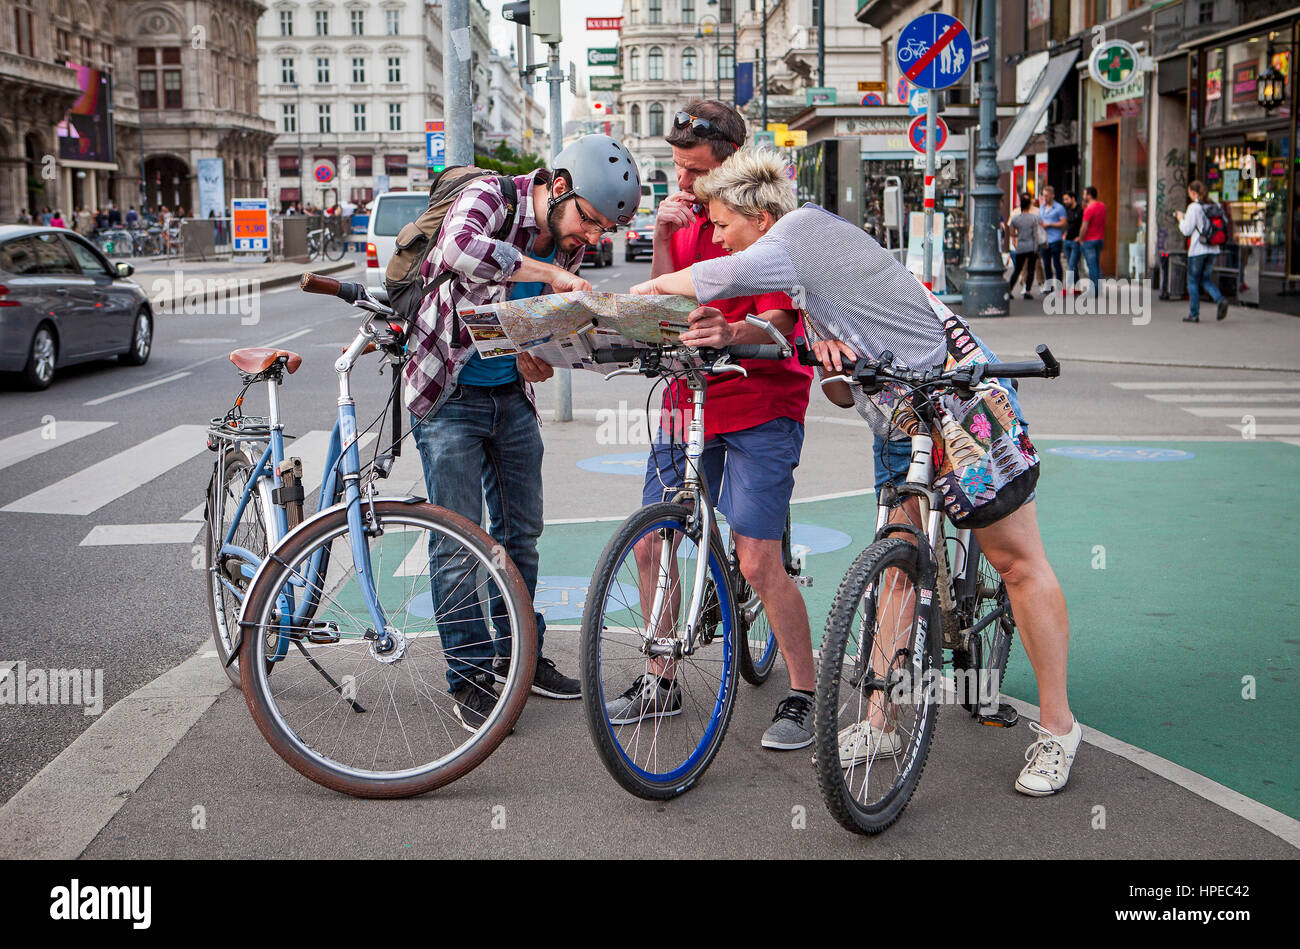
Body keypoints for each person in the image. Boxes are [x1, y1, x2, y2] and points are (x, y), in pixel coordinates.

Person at [633, 151, 1082, 797]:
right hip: (901, 419)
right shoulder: (806, 287)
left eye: (725, 222)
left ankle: (1059, 728)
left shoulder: (799, 233)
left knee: (1016, 564)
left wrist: (640, 294)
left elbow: (717, 275)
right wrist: (833, 363)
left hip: (960, 408)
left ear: (761, 218)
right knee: (896, 564)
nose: (718, 233)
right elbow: (841, 394)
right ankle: (881, 719)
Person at [404, 134, 641, 730]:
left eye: (600, 233)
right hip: (449, 392)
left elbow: (534, 324)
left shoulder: (569, 243)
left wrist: (543, 357)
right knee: (459, 544)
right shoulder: (491, 195)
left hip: (511, 395)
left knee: (521, 538)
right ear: (559, 187)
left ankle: (520, 661)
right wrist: (545, 273)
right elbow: (459, 249)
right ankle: (473, 677)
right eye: (589, 222)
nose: (590, 240)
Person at [611, 101, 817, 752]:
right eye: (673, 166)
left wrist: (734, 330)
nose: (679, 181)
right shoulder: (684, 216)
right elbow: (666, 305)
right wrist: (662, 238)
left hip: (761, 399)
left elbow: (780, 321)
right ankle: (659, 676)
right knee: (651, 541)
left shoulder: (762, 222)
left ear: (729, 162)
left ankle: (804, 692)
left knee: (758, 561)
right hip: (688, 394)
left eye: (691, 169)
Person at [1175, 180, 1229, 323]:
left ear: (1193, 193)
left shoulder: (1194, 207)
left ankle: (1194, 314)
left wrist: (1181, 219)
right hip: (1213, 248)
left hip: (1198, 249)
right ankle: (1220, 299)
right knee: (1204, 279)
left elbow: (1186, 230)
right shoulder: (1214, 205)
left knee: (1192, 281)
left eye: (1189, 193)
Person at [1005, 194, 1040, 301]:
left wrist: (1015, 241)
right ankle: (1027, 291)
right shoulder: (1033, 218)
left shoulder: (1016, 218)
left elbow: (1011, 232)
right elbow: (1036, 234)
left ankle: (1009, 290)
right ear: (1029, 205)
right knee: (1030, 270)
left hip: (1021, 246)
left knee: (1017, 269)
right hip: (1031, 246)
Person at [1037, 186, 1066, 291]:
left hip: (1055, 239)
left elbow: (1063, 223)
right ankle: (1049, 286)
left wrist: (1049, 224)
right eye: (1043, 195)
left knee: (1056, 263)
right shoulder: (1041, 208)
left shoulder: (1059, 208)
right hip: (1044, 240)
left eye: (1046, 195)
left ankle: (1059, 286)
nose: (1045, 197)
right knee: (1046, 264)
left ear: (1052, 195)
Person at [1080, 185, 1106, 297]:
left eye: (1084, 194)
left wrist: (1081, 239)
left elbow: (1084, 226)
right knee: (1096, 264)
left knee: (1092, 266)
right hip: (1099, 239)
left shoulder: (1089, 209)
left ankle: (1094, 290)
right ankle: (1098, 289)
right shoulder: (1102, 206)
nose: (1083, 196)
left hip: (1089, 239)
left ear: (1089, 195)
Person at [1061, 191, 1084, 293]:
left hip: (1076, 242)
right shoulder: (1066, 210)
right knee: (1072, 265)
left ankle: (1068, 287)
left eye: (1067, 199)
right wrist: (1064, 233)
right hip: (1067, 241)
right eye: (1064, 200)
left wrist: (1080, 237)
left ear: (1073, 198)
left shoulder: (1080, 210)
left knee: (1071, 265)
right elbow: (1065, 223)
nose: (1065, 201)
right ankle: (1077, 287)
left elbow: (1084, 225)